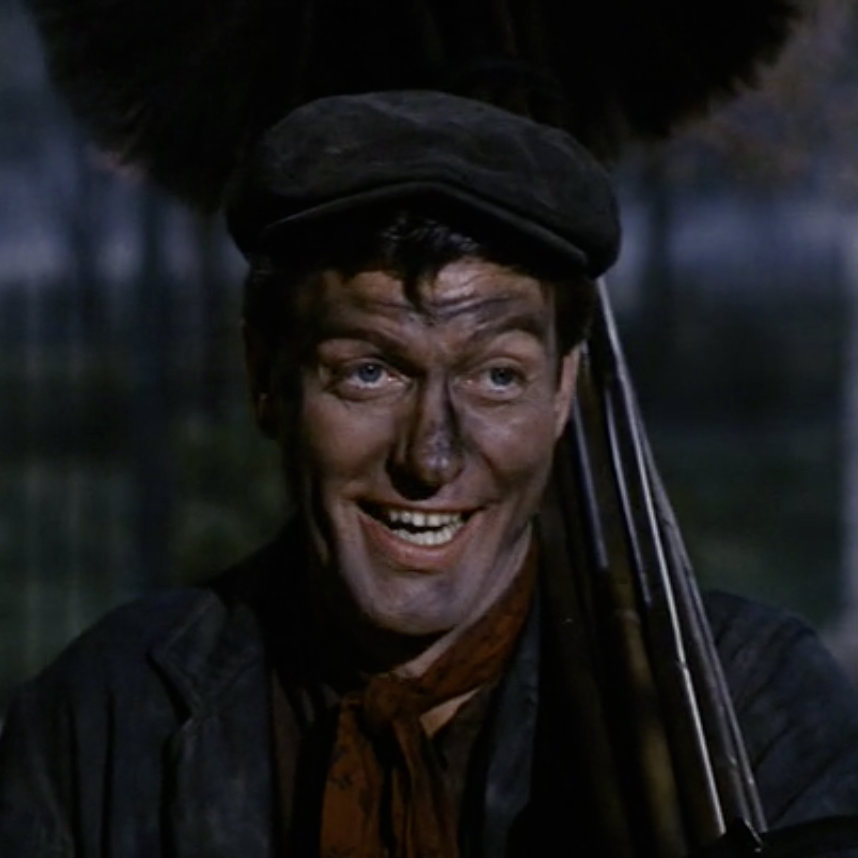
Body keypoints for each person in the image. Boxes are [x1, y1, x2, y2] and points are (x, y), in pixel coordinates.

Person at [1, 90, 856, 858]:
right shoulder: (104, 718)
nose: (431, 456)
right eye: (370, 372)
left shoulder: (751, 709)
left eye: (498, 376)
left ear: (563, 391)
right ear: (266, 379)